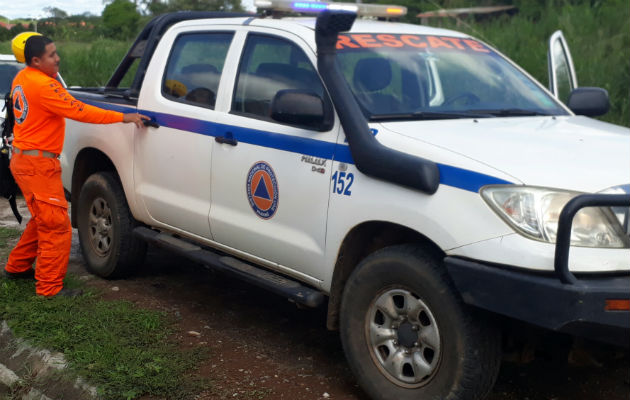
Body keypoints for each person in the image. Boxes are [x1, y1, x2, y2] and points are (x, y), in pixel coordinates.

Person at [2, 34, 149, 298]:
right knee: (56, 227)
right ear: (35, 60)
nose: (57, 58)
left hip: (25, 160)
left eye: (56, 52)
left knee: (43, 220)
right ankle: (48, 288)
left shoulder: (22, 77)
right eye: (51, 55)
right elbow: (81, 111)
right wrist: (123, 116)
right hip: (37, 165)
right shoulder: (45, 86)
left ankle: (17, 267)